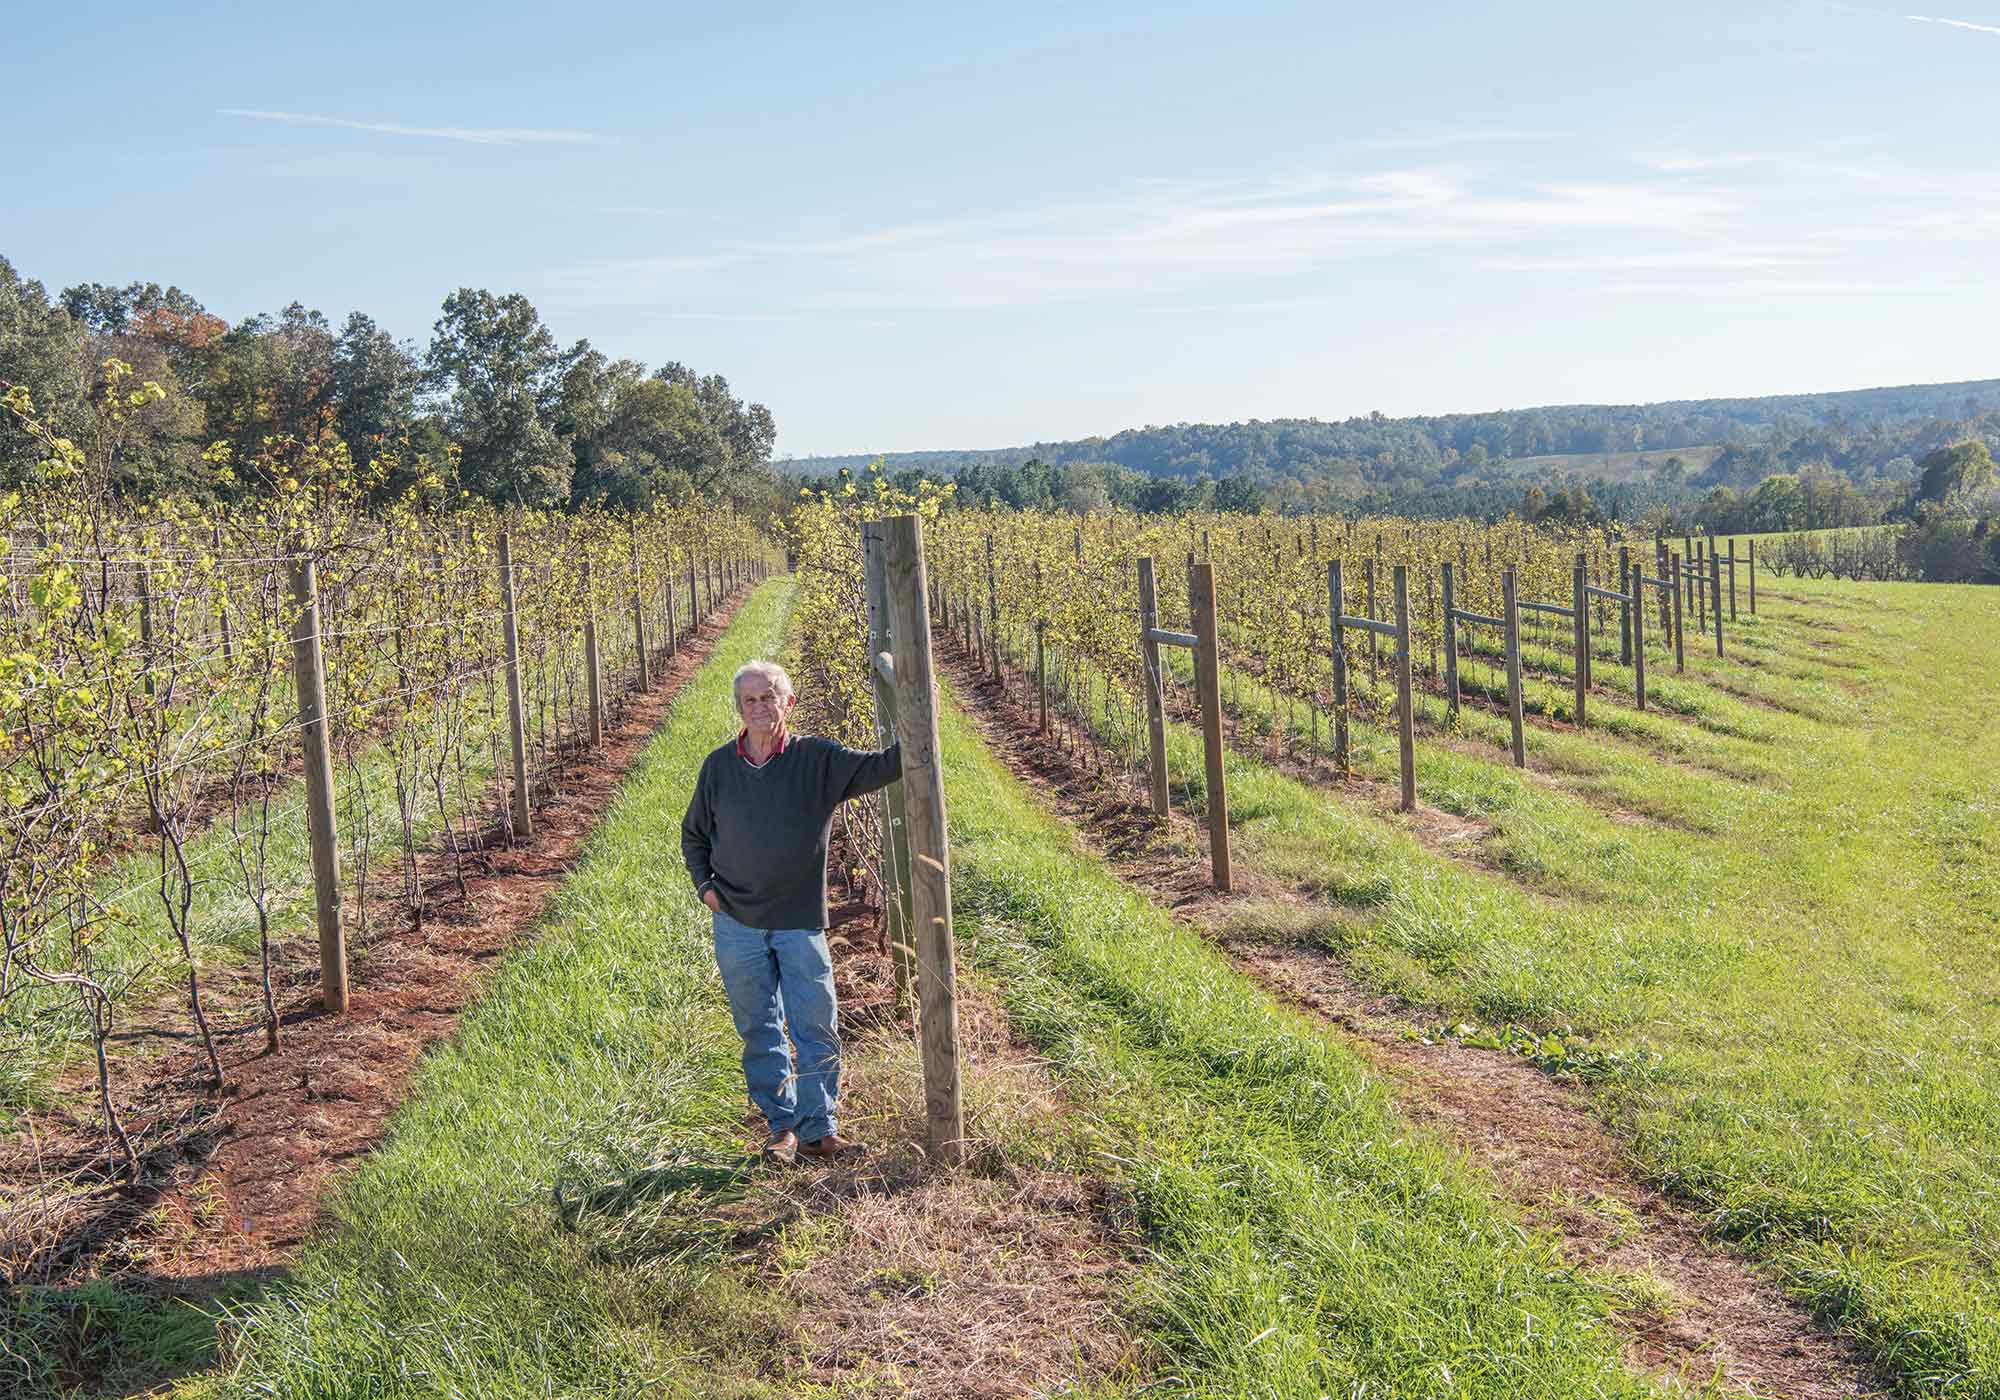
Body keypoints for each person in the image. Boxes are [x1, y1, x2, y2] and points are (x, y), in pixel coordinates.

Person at [681, 658, 901, 1165]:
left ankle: (820, 1129)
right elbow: (694, 834)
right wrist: (705, 889)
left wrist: (921, 704)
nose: (760, 707)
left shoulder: (817, 760)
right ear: (739, 707)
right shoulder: (718, 767)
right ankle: (781, 1129)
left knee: (814, 1024)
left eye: (769, 697)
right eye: (750, 699)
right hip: (736, 923)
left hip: (799, 920)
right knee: (758, 1027)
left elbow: (885, 767)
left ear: (789, 702)